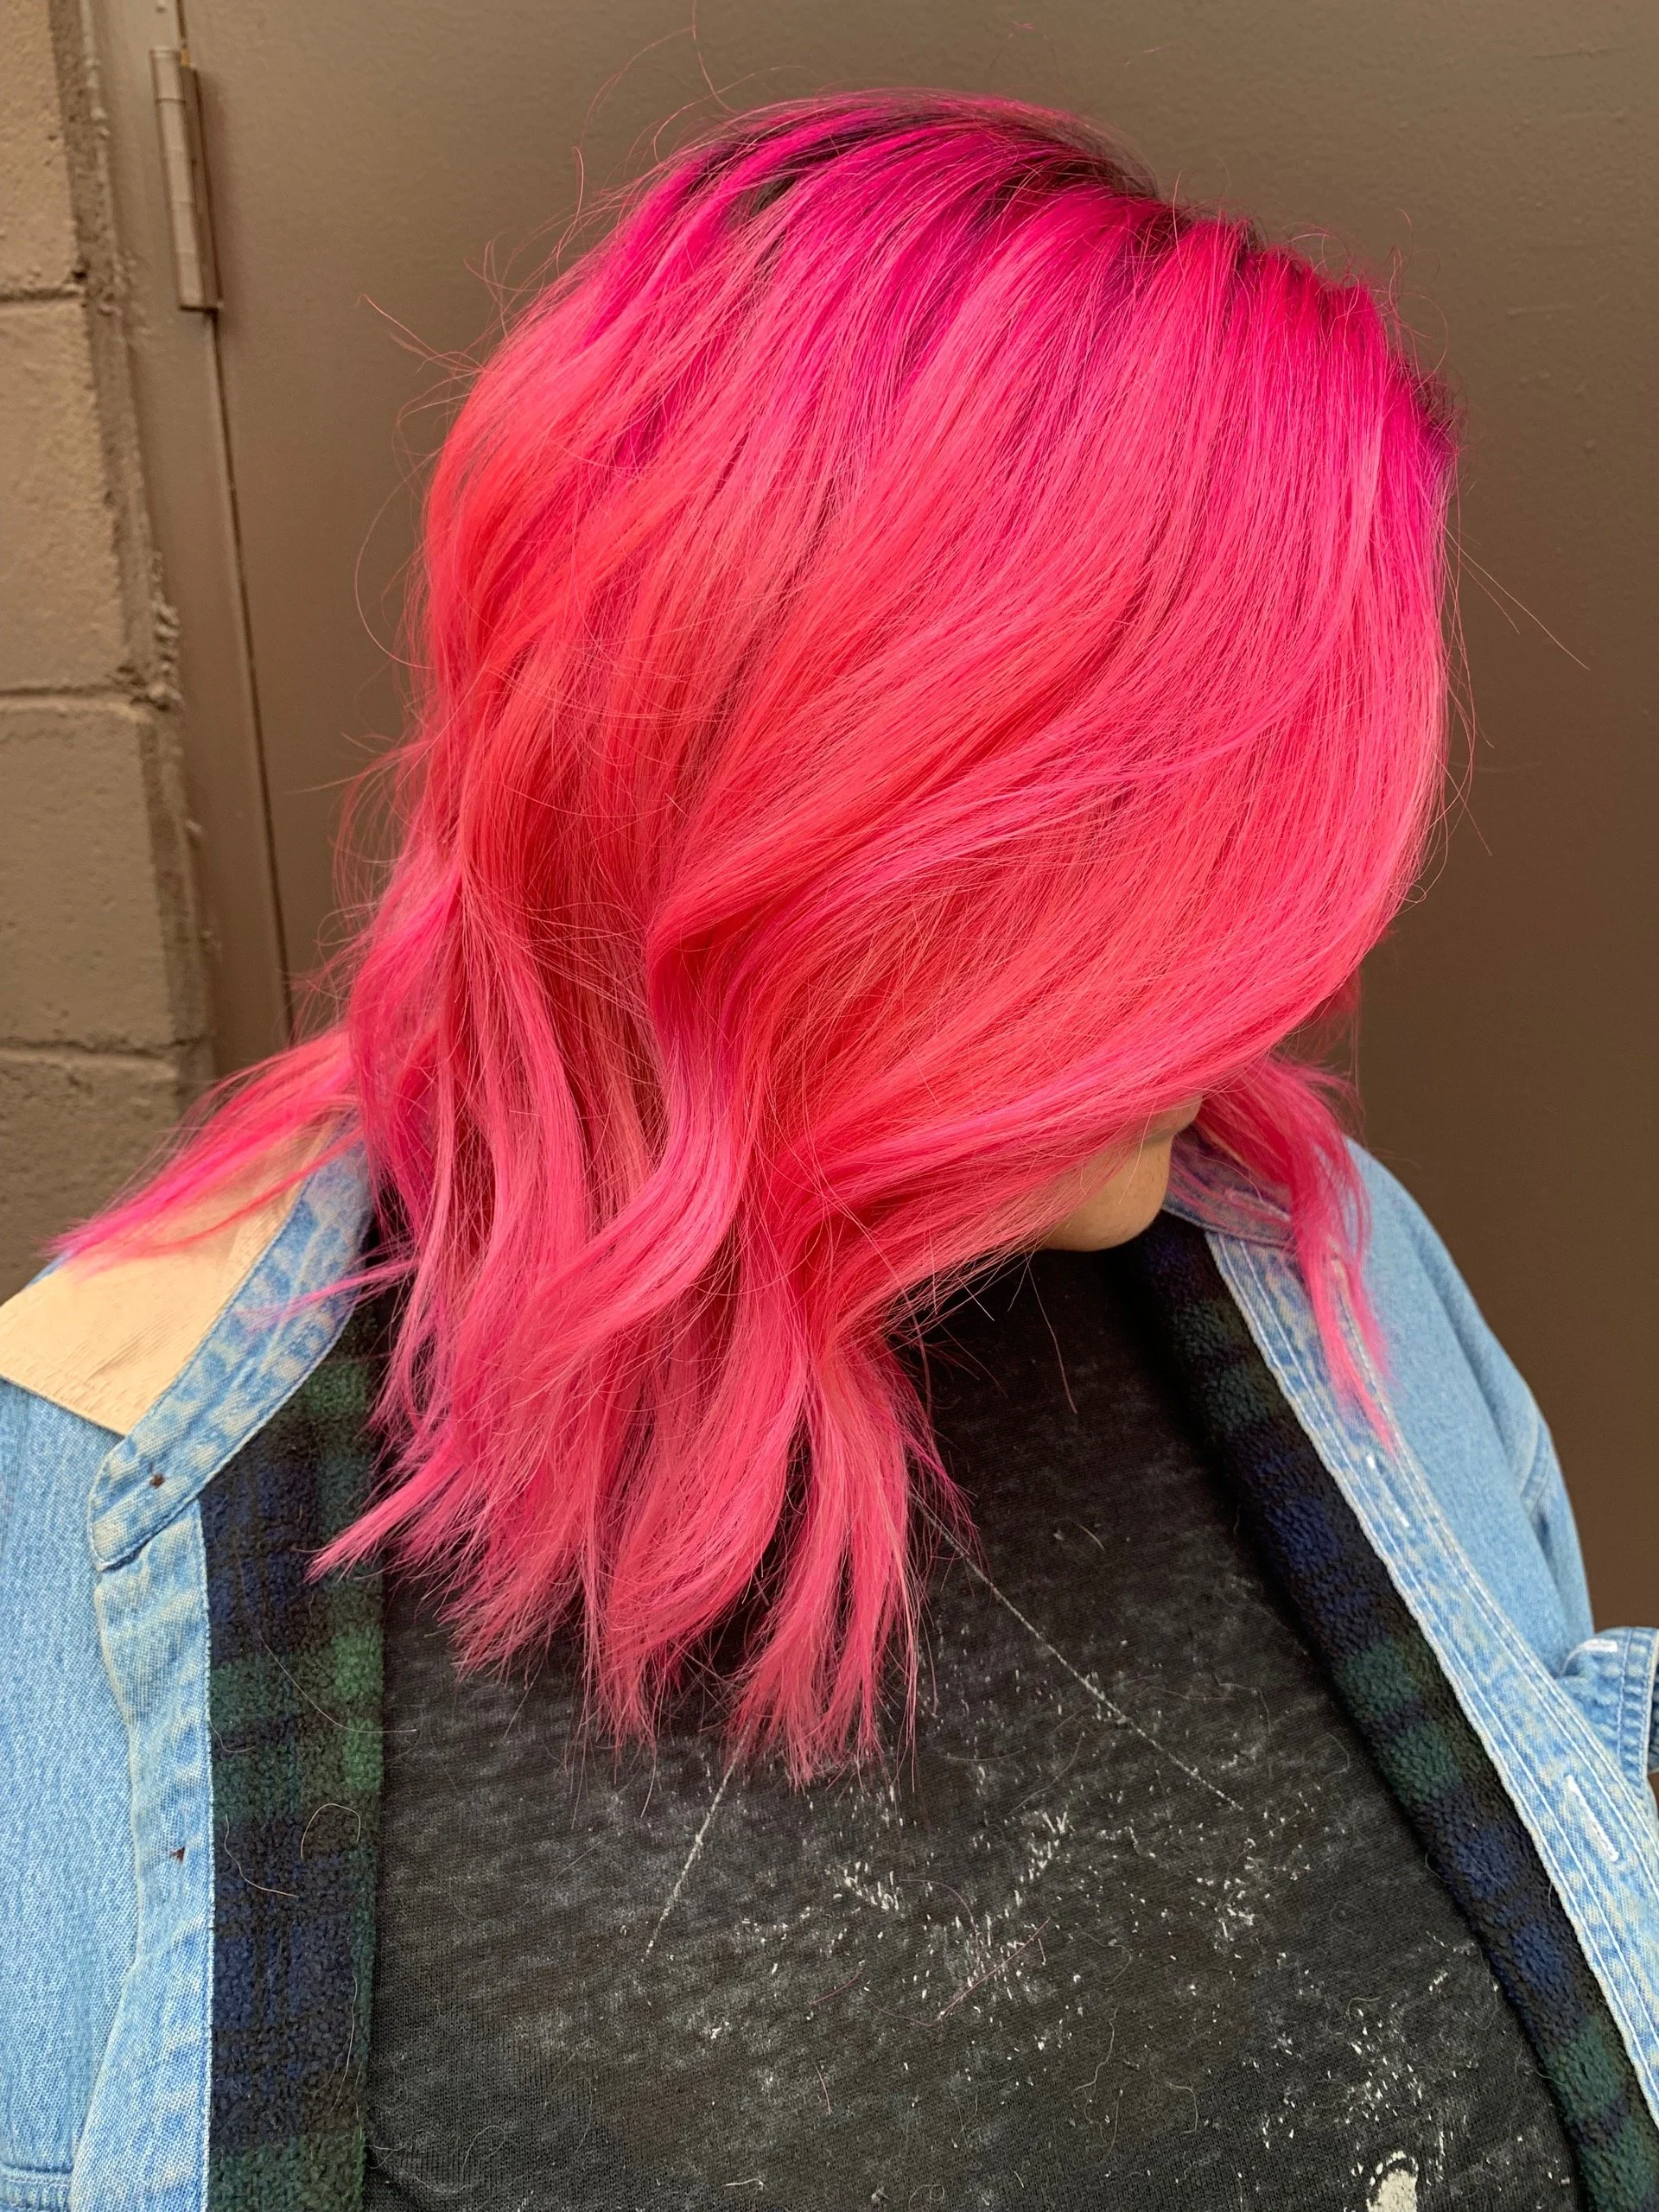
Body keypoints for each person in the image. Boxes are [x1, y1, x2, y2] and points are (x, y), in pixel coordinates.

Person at [1, 88, 1655, 2212]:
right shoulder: (83, 1520)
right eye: (1162, 877)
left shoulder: (1339, 1252)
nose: (1262, 1010)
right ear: (773, 824)